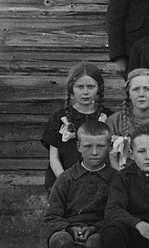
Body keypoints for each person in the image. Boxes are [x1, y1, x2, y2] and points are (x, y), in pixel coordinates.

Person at [43, 119, 115, 248]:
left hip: (98, 234)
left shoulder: (115, 179)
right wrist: (69, 229)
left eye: (100, 146)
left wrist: (95, 228)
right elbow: (52, 216)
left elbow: (116, 214)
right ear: (78, 146)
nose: (94, 152)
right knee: (58, 240)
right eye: (88, 146)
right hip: (69, 235)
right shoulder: (65, 179)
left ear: (109, 146)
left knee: (96, 242)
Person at [41, 62, 108, 192]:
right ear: (72, 89)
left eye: (90, 87)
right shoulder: (59, 117)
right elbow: (53, 158)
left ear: (98, 88)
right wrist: (65, 181)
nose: (85, 92)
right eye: (80, 87)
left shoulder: (106, 117)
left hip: (98, 184)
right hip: (64, 182)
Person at [106, 68, 149, 163]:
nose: (141, 94)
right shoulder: (114, 121)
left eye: (147, 89)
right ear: (129, 94)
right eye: (135, 89)